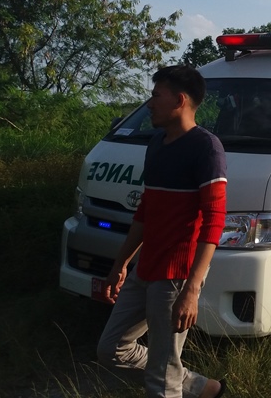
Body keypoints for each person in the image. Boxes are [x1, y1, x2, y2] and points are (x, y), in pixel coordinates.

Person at [97, 66, 228, 398]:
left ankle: (176, 378)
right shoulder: (156, 144)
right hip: (146, 266)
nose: (150, 103)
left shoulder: (206, 148)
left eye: (156, 95)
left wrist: (192, 290)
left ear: (180, 100)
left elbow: (214, 220)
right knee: (112, 349)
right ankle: (201, 388)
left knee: (161, 378)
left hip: (176, 274)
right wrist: (121, 263)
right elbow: (146, 211)